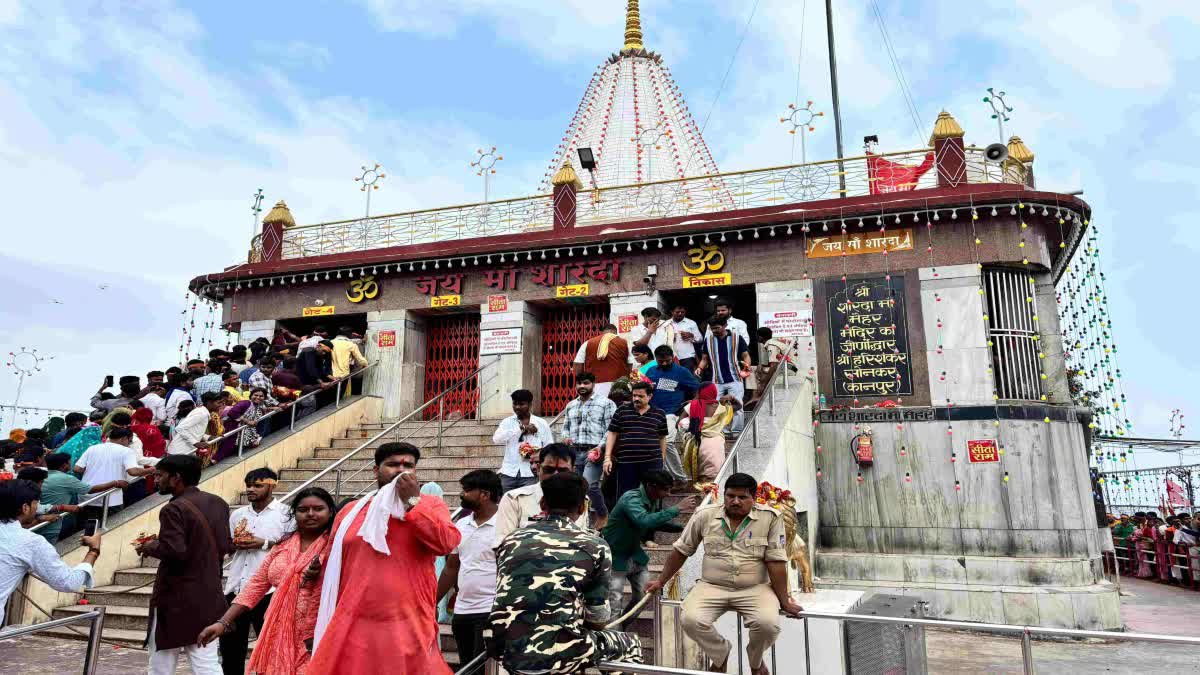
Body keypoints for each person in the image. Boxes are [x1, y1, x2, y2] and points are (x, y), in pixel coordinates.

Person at [309, 442, 460, 674]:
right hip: (352, 622)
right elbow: (331, 564)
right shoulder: (350, 511)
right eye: (392, 464)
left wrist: (412, 503)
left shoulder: (430, 504)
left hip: (407, 624)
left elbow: (445, 542)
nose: (401, 470)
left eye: (408, 465)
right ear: (375, 470)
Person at [645, 473, 802, 675]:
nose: (735, 501)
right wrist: (660, 581)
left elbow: (776, 562)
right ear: (724, 495)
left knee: (768, 625)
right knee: (690, 620)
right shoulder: (705, 515)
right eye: (730, 496)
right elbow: (681, 550)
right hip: (711, 586)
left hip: (754, 588)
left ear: (753, 498)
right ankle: (720, 654)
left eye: (742, 497)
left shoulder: (770, 518)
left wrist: (785, 600)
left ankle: (755, 662)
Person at [488, 473, 642, 674]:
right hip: (558, 652)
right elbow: (598, 618)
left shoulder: (510, 540)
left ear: (543, 503)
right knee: (630, 644)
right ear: (582, 508)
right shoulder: (595, 546)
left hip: (500, 648)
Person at [199, 487, 334, 675]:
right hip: (277, 632)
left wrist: (324, 574)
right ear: (294, 514)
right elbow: (255, 586)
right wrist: (223, 622)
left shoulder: (336, 547)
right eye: (303, 510)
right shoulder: (282, 546)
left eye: (318, 509)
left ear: (331, 512)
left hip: (319, 631)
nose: (310, 514)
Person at [134, 455, 232, 675]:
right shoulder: (219, 503)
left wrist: (149, 546)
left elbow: (175, 550)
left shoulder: (173, 508)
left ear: (176, 478)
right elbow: (226, 544)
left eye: (159, 476)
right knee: (206, 663)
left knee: (161, 663)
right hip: (209, 592)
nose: (156, 481)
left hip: (175, 596)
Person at [219, 468, 295, 675]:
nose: (251, 489)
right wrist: (234, 544)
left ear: (272, 485)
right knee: (231, 648)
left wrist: (263, 543)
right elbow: (229, 544)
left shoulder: (287, 514)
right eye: (249, 485)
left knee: (269, 646)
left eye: (257, 485)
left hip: (269, 591)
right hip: (237, 586)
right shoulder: (238, 515)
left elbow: (292, 549)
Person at [0, 479, 102, 626]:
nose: (38, 508)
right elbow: (68, 583)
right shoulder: (30, 542)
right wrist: (94, 550)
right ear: (25, 508)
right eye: (36, 503)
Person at [602, 470, 694, 629]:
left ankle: (620, 628)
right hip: (615, 558)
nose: (668, 493)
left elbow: (655, 521)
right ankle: (615, 638)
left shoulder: (652, 498)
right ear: (651, 486)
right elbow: (644, 520)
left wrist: (685, 528)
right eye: (665, 489)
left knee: (643, 597)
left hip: (635, 556)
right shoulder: (631, 498)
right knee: (614, 604)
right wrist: (677, 509)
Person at [437, 469, 503, 667]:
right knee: (466, 666)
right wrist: (432, 601)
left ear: (485, 494)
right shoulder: (461, 525)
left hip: (490, 610)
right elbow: (451, 568)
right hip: (462, 612)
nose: (462, 495)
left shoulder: (506, 525)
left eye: (466, 490)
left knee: (480, 669)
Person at [493, 444, 591, 545]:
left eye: (562, 471)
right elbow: (503, 545)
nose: (555, 476)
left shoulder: (581, 499)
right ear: (539, 468)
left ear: (573, 471)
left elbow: (582, 540)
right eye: (549, 470)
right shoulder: (514, 499)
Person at [560, 372, 618, 528]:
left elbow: (611, 429)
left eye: (585, 383)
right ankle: (578, 521)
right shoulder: (571, 405)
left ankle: (602, 513)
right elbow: (565, 428)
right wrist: (565, 437)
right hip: (574, 452)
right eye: (579, 383)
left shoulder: (606, 403)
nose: (581, 386)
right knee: (575, 488)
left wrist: (600, 447)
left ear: (593, 383)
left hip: (595, 451)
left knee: (590, 484)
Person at [604, 381, 670, 503]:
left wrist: (662, 458)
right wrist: (607, 457)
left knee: (653, 496)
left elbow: (662, 438)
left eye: (640, 396)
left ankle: (652, 520)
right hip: (626, 462)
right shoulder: (621, 411)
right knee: (626, 497)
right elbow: (612, 433)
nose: (636, 399)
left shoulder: (659, 413)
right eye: (634, 395)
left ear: (650, 396)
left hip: (652, 463)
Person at [38, 452, 126, 543]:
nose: (70, 465)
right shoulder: (65, 478)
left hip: (39, 523)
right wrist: (115, 483)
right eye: (69, 462)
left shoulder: (42, 477)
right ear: (64, 465)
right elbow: (90, 489)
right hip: (54, 526)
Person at [644, 345, 699, 482]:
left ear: (672, 358)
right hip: (651, 413)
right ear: (655, 359)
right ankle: (667, 479)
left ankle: (681, 478)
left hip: (671, 413)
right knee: (656, 447)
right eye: (660, 361)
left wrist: (692, 403)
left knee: (667, 443)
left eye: (667, 361)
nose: (663, 363)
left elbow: (698, 388)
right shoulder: (651, 370)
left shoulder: (682, 371)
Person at [74, 428, 152, 515]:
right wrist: (151, 470)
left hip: (87, 497)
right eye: (129, 442)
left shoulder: (92, 448)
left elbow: (77, 469)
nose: (128, 444)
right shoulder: (126, 451)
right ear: (123, 438)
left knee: (86, 527)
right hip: (110, 499)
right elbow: (133, 471)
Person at [695, 315, 751, 434]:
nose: (714, 331)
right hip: (716, 380)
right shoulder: (708, 339)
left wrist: (746, 368)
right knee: (716, 406)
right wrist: (699, 368)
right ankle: (722, 431)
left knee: (737, 406)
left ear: (725, 325)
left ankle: (736, 432)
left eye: (717, 328)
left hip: (735, 378)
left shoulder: (736, 337)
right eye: (712, 328)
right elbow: (705, 358)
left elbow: (745, 355)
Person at [492, 389, 554, 493]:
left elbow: (549, 446)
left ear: (529, 404)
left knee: (528, 505)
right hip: (509, 472)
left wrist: (538, 455)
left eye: (521, 404)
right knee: (507, 504)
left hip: (531, 473)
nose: (517, 407)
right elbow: (496, 439)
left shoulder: (541, 423)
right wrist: (521, 429)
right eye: (515, 404)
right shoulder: (507, 422)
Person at [679, 383, 741, 481]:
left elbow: (679, 423)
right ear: (714, 392)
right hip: (715, 444)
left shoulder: (692, 405)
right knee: (713, 478)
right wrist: (731, 397)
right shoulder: (721, 407)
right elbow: (738, 406)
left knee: (699, 476)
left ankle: (702, 495)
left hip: (695, 444)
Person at [573, 324, 631, 398]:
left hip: (595, 385)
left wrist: (582, 382)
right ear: (616, 333)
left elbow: (578, 364)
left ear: (601, 332)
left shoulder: (588, 343)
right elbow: (630, 364)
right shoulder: (625, 343)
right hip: (618, 385)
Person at [168, 391, 221, 456]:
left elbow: (194, 430)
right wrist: (195, 443)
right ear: (209, 403)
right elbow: (180, 428)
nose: (220, 405)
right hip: (180, 451)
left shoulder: (202, 412)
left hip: (186, 450)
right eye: (218, 403)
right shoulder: (201, 413)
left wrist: (208, 437)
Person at [665, 305, 702, 371]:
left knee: (686, 379)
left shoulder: (691, 323)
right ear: (672, 312)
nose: (680, 314)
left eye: (682, 312)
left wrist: (691, 335)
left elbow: (700, 339)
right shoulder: (666, 324)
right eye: (677, 312)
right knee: (673, 379)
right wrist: (670, 338)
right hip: (670, 357)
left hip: (687, 356)